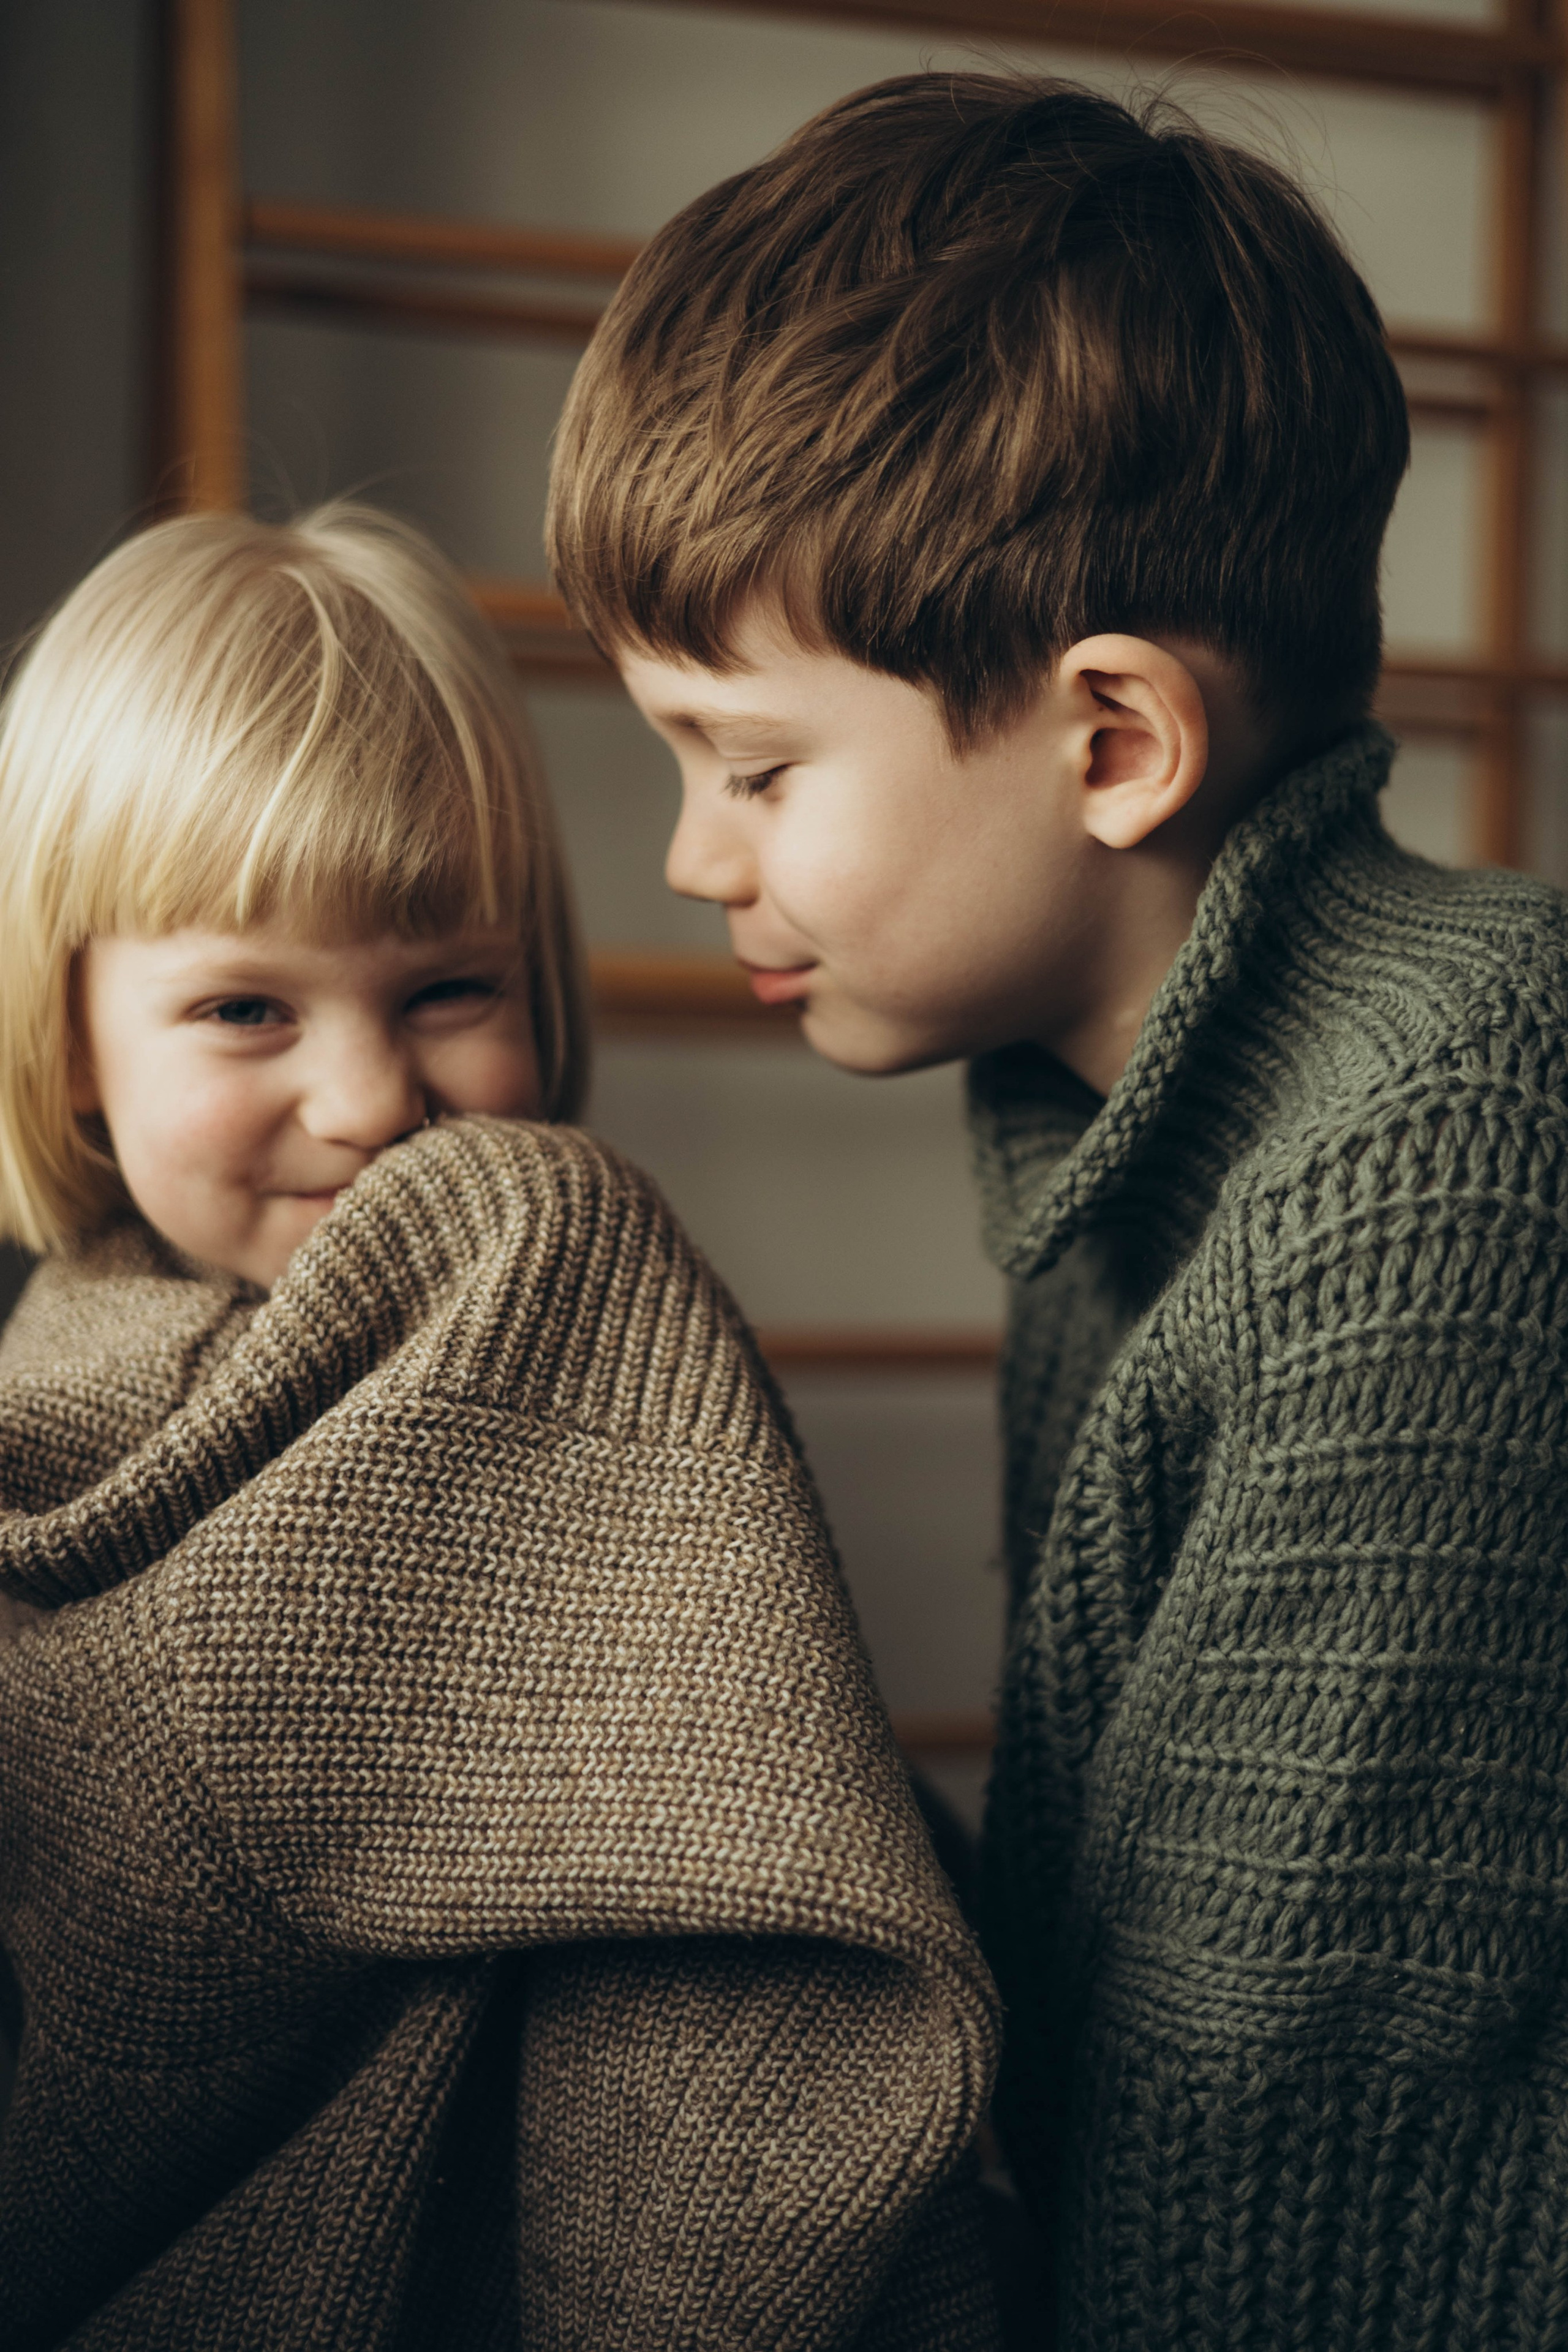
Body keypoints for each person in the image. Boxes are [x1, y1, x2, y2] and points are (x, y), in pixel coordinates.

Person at [548, 67, 1568, 2350]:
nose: (699, 860)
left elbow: (1266, 2114)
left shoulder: (1437, 1154)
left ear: (1115, 742)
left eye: (757, 764)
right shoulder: (1131, 1136)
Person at [0, 503, 1001, 2352]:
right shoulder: (42, 1431)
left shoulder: (562, 1286)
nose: (371, 1099)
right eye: (242, 1008)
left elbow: (763, 1792)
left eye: (446, 990)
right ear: (69, 1044)